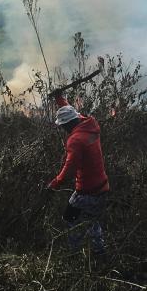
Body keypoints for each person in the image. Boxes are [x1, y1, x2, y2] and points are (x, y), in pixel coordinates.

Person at [46, 93, 109, 255]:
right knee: (91, 220)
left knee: (70, 219)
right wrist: (59, 99)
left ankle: (74, 251)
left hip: (87, 191)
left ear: (68, 125)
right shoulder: (89, 123)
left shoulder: (75, 140)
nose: (63, 129)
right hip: (102, 186)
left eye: (63, 126)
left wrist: (55, 183)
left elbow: (70, 167)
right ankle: (99, 252)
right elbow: (70, 111)